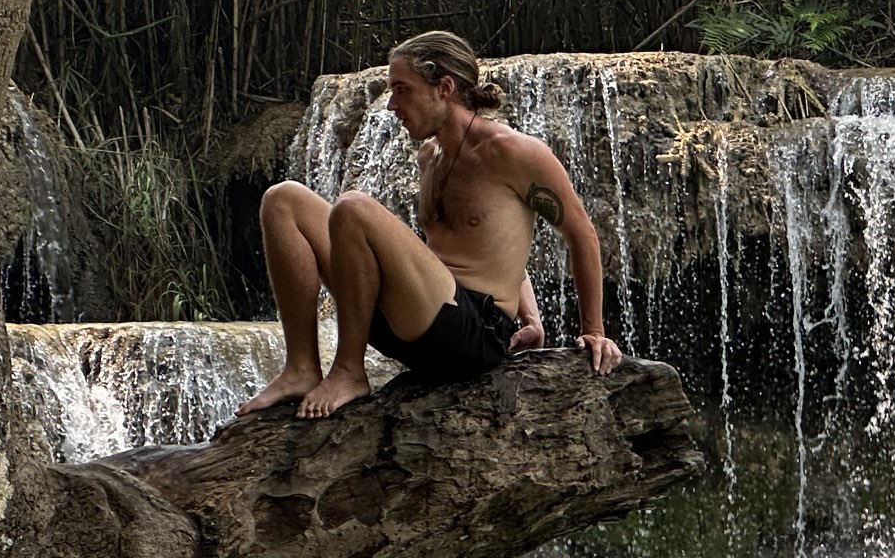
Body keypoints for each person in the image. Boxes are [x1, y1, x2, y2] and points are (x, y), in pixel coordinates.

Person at [238, 30, 623, 418]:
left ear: (444, 87)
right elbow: (488, 236)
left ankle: (350, 371)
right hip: (415, 318)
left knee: (353, 208)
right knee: (282, 199)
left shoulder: (513, 152)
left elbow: (581, 233)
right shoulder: (431, 156)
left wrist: (593, 330)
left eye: (402, 89)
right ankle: (302, 368)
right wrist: (532, 315)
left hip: (473, 332)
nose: (391, 106)